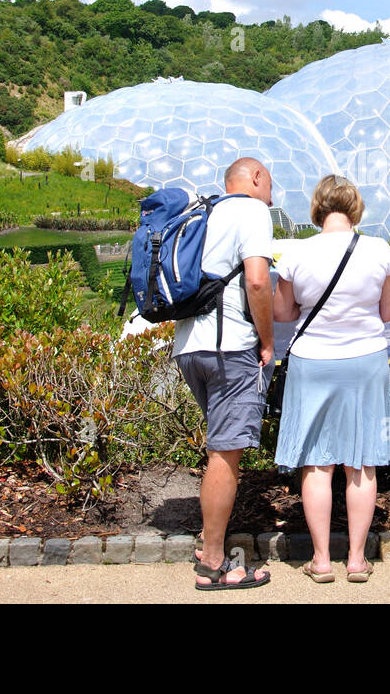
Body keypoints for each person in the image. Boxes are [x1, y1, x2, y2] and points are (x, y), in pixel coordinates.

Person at [272, 175, 390, 583]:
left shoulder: (296, 252)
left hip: (313, 362)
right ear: (355, 207)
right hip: (365, 359)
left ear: (318, 208)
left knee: (317, 461)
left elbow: (284, 312)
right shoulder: (379, 250)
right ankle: (358, 560)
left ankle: (322, 559)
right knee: (361, 462)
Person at [172, 156, 276, 591]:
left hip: (189, 348)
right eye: (270, 182)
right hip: (229, 348)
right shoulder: (252, 211)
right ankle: (214, 564)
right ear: (254, 177)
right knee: (226, 454)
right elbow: (256, 282)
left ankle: (207, 541)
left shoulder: (202, 212)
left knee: (220, 444)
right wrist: (267, 342)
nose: (273, 193)